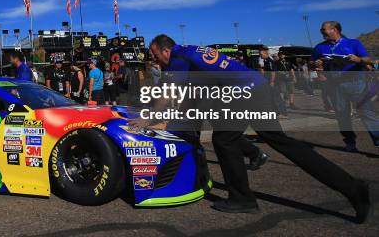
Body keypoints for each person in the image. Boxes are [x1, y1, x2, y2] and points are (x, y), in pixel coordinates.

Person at [141, 34, 371, 222]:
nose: (156, 61)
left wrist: (148, 117)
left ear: (165, 50)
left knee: (225, 140)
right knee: (281, 141)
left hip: (244, 92)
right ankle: (352, 188)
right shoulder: (193, 51)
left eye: (155, 56)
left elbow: (170, 91)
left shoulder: (179, 57)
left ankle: (243, 199)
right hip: (255, 88)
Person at [312, 21, 378, 152]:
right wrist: (316, 63)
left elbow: (367, 59)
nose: (322, 32)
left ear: (335, 29)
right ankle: (350, 142)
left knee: (367, 113)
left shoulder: (353, 43)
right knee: (342, 116)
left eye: (324, 29)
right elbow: (312, 62)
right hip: (335, 85)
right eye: (321, 30)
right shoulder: (319, 47)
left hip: (356, 83)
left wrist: (358, 59)